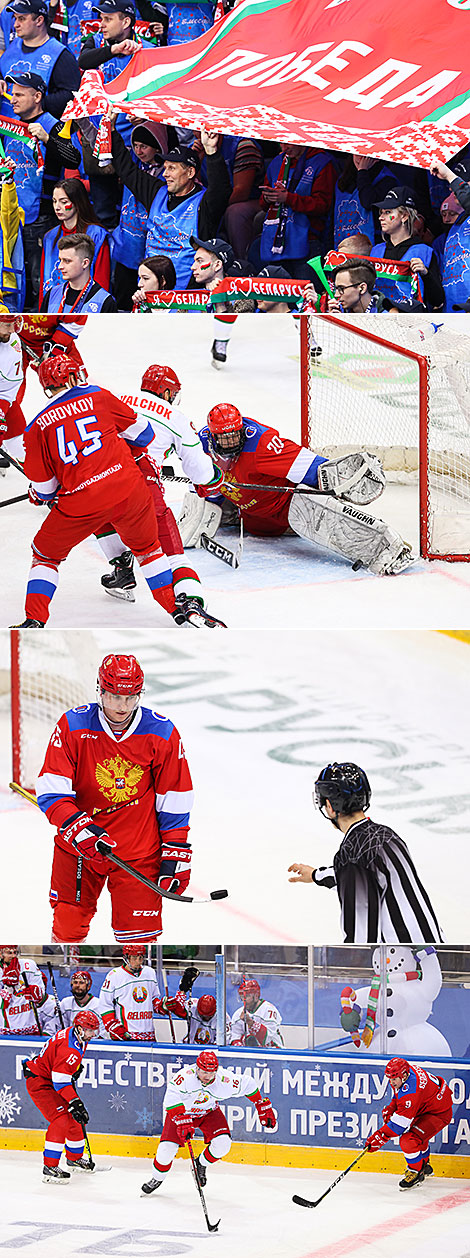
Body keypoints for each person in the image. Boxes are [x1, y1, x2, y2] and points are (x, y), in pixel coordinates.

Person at [35, 652, 194, 943]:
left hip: (139, 854)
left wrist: (176, 850)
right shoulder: (72, 725)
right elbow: (51, 789)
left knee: (138, 940)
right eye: (114, 697)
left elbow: (174, 797)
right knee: (67, 929)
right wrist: (76, 826)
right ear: (101, 691)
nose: (123, 706)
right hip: (79, 849)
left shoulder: (161, 732)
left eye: (131, 697)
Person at [16, 354, 185, 627]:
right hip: (131, 490)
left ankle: (35, 620)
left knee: (45, 555)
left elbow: (45, 490)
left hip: (83, 502)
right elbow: (145, 436)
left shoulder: (36, 427)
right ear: (73, 376)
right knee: (149, 549)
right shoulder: (99, 396)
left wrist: (40, 494)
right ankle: (176, 609)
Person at [178, 403, 413, 578]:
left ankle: (387, 549)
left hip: (287, 509)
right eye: (224, 438)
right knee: (207, 487)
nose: (231, 442)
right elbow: (198, 479)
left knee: (321, 512)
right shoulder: (201, 444)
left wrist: (339, 477)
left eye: (235, 435)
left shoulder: (261, 444)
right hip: (251, 518)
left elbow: (310, 467)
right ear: (212, 434)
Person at [98, 361, 226, 625]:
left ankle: (121, 568)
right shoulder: (174, 417)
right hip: (143, 489)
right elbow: (200, 472)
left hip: (101, 479)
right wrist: (212, 480)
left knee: (98, 514)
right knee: (172, 554)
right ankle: (191, 601)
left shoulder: (117, 398)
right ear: (167, 393)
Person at [288, 762, 445, 944]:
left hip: (404, 962)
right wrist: (316, 875)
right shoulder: (388, 835)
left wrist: (352, 966)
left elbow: (360, 934)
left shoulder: (351, 855)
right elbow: (367, 872)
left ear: (330, 806)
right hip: (437, 947)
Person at [110, 124, 231, 288]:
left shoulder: (205, 203)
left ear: (190, 173)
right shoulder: (156, 191)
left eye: (172, 168)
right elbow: (127, 170)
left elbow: (221, 189)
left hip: (185, 293)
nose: (165, 173)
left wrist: (211, 152)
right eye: (165, 168)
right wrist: (111, 131)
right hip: (149, 287)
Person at [141, 1049, 276, 1194]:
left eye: (212, 1073)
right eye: (205, 1072)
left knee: (223, 1144)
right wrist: (182, 1119)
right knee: (166, 1150)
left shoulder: (224, 1080)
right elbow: (170, 1099)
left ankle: (200, 1164)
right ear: (197, 1068)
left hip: (208, 1112)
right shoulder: (184, 1077)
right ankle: (157, 1178)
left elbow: (249, 1084)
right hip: (181, 1114)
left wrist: (261, 1106)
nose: (208, 1076)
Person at [0, 70, 80, 306]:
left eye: (19, 95)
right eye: (11, 94)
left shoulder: (53, 125)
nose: (12, 99)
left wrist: (47, 139)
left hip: (40, 217)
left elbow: (74, 159)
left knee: (36, 277)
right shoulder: (7, 120)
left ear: (37, 97)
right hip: (9, 212)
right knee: (10, 273)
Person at [22, 1008, 100, 1181]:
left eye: (94, 1030)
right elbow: (60, 1082)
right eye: (89, 1030)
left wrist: (74, 1069)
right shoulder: (70, 1050)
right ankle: (50, 1166)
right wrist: (75, 1101)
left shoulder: (77, 1036)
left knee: (74, 1117)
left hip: (49, 1077)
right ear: (79, 1028)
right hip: (40, 1082)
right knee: (61, 1118)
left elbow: (60, 1065)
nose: (92, 1034)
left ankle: (74, 1159)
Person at [364, 1058, 453, 1189]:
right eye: (390, 1078)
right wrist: (392, 1107)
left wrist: (379, 1137)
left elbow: (399, 1126)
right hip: (428, 1107)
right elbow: (400, 1095)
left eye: (394, 1079)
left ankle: (415, 1172)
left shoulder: (411, 1089)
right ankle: (424, 1165)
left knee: (408, 1140)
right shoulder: (405, 1074)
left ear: (404, 1075)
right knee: (417, 1136)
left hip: (438, 1114)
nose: (391, 1082)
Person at [370, 187, 443, 309]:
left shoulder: (425, 252)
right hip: (376, 322)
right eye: (381, 212)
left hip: (410, 322)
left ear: (404, 216)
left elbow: (438, 301)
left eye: (387, 212)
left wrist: (425, 273)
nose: (380, 217)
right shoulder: (375, 251)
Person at [40, 178, 111, 302]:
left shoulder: (97, 234)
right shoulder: (50, 237)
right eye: (54, 201)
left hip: (87, 306)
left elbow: (102, 279)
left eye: (63, 202)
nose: (57, 207)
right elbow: (43, 281)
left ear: (77, 202)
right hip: (54, 305)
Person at [98, 945, 186, 1040]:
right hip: (125, 1035)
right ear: (126, 958)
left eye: (140, 958)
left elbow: (153, 1001)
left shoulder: (150, 972)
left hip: (149, 1035)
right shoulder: (114, 975)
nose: (138, 962)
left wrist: (163, 1005)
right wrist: (113, 1026)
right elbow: (105, 1004)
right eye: (134, 958)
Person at [429, 156, 470, 312]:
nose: (452, 189)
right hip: (453, 308)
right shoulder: (456, 225)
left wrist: (449, 176)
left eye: (462, 182)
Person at [40, 232, 117, 312]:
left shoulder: (105, 301)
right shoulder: (51, 294)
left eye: (67, 261)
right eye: (60, 260)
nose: (60, 266)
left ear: (85, 263)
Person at [229, 979, 283, 1048]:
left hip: (274, 1051)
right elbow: (235, 1038)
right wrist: (240, 1047)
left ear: (256, 996)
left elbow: (266, 1039)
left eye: (247, 996)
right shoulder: (237, 1014)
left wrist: (251, 1023)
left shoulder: (269, 1010)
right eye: (242, 997)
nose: (244, 1000)